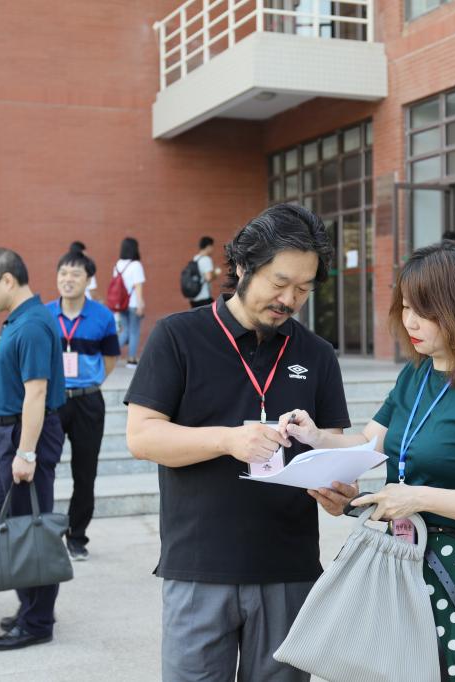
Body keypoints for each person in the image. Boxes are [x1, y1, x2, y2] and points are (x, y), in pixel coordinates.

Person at [278, 240, 455, 681]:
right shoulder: (416, 374)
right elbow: (370, 443)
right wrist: (315, 436)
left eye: (424, 311)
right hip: (401, 558)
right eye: (404, 307)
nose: (409, 321)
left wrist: (417, 497)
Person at [125, 204, 353, 681]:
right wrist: (228, 440)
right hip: (198, 568)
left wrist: (339, 486)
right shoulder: (177, 336)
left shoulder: (316, 354)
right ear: (245, 265)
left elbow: (334, 443)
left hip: (288, 571)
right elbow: (142, 436)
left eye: (303, 289)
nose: (289, 299)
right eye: (280, 282)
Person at [0, 247, 66, 649]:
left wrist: (26, 453)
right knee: (13, 524)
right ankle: (31, 607)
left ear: (8, 280)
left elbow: (37, 393)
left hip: (25, 434)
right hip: (13, 433)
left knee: (31, 529)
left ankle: (38, 622)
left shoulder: (31, 325)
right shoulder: (22, 318)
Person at [46, 244, 120, 560]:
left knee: (85, 472)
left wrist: (90, 382)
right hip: (52, 401)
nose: (68, 279)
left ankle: (76, 537)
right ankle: (43, 534)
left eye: (75, 274)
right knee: (43, 469)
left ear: (88, 279)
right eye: (63, 273)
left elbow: (111, 358)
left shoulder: (102, 316)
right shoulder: (45, 314)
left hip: (88, 401)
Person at [113, 237, 145, 367]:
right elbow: (138, 286)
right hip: (133, 303)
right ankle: (131, 359)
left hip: (121, 303)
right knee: (134, 331)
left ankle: (111, 353)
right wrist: (140, 304)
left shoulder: (118, 264)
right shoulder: (136, 265)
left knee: (125, 331)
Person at [189, 235, 222, 308]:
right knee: (216, 310)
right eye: (212, 247)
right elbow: (208, 277)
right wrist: (216, 272)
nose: (213, 249)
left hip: (194, 297)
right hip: (204, 297)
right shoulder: (206, 259)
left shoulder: (196, 258)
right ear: (208, 247)